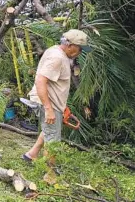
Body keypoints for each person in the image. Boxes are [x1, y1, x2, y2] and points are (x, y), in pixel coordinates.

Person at [22, 29, 91, 163]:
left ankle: (31, 155)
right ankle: (50, 175)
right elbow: (40, 80)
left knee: (50, 130)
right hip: (47, 103)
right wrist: (49, 109)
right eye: (80, 49)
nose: (80, 52)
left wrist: (61, 107)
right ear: (70, 45)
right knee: (53, 139)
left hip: (53, 103)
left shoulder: (59, 53)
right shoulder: (57, 57)